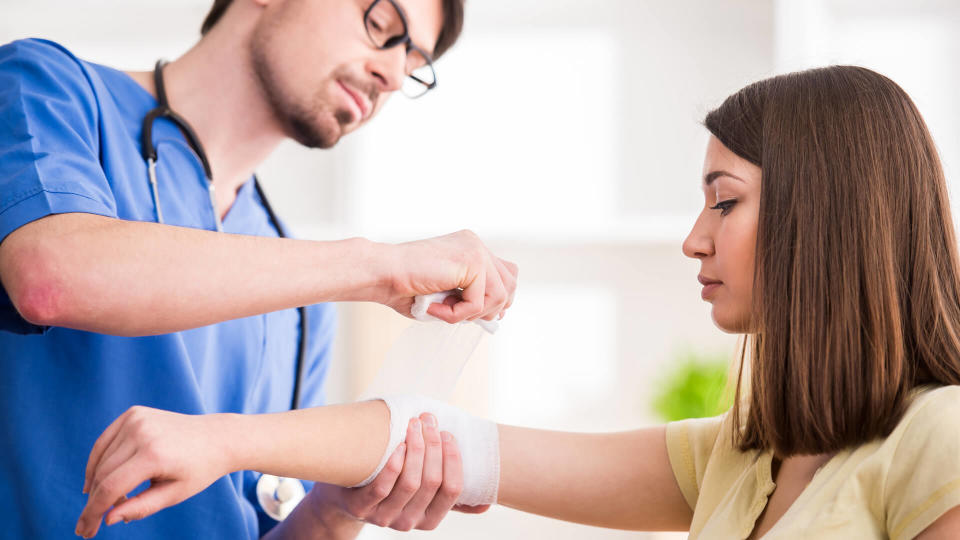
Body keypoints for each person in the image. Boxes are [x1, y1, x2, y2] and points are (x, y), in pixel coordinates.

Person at [78, 65, 960, 539]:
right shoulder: (742, 454)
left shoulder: (940, 438)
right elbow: (436, 437)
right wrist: (215, 441)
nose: (695, 238)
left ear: (829, 211)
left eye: (724, 201)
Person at [0, 0, 520, 538]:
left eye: (411, 63)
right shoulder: (45, 90)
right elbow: (50, 276)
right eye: (380, 25)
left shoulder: (304, 308)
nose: (390, 74)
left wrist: (337, 508)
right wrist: (381, 265)